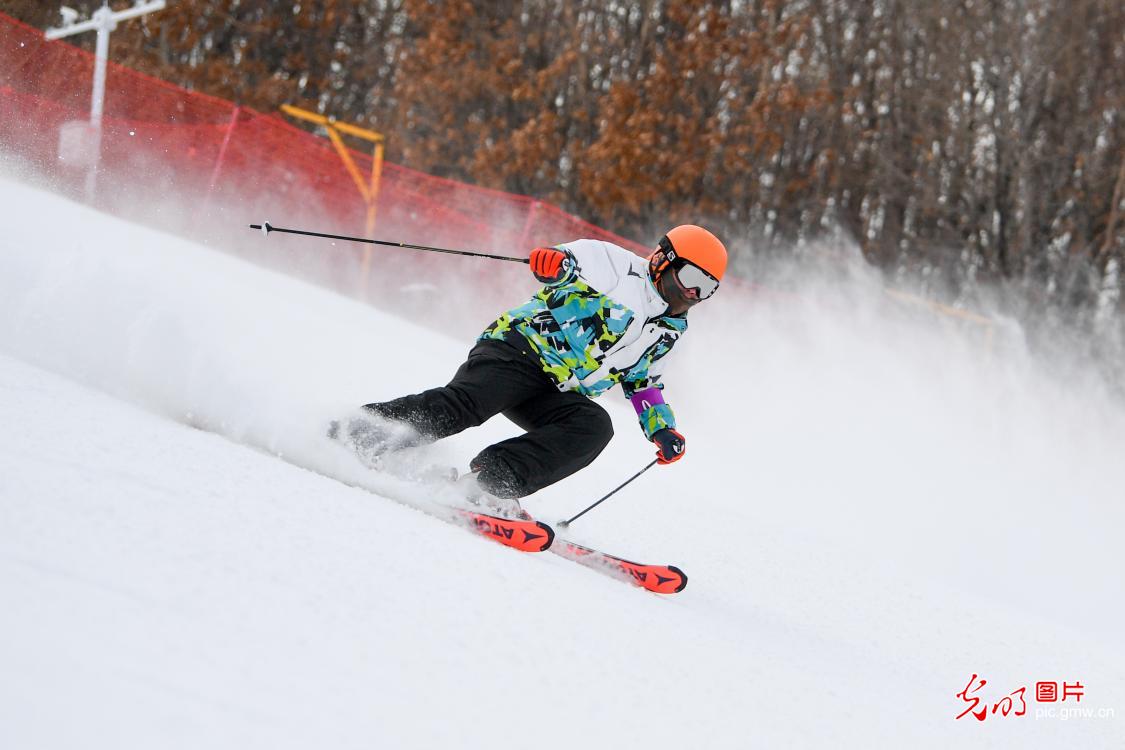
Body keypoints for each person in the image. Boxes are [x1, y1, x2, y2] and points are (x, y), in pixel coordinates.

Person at [332, 224, 727, 514]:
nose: (694, 294)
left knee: (592, 427)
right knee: (467, 405)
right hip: (519, 352)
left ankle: (489, 483)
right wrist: (554, 262)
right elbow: (567, 263)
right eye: (692, 279)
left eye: (707, 288)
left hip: (559, 391)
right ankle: (359, 433)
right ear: (662, 261)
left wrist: (660, 426)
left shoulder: (671, 330)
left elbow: (641, 379)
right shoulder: (615, 266)